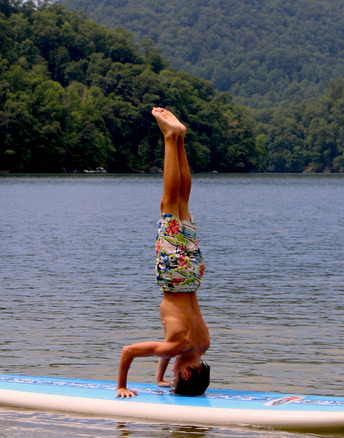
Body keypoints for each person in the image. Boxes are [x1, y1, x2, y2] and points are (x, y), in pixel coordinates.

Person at [115, 108, 210, 399]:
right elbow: (128, 351)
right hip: (174, 274)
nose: (171, 376)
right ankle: (171, 138)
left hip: (193, 274)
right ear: (186, 373)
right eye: (174, 379)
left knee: (182, 202)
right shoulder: (176, 346)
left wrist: (157, 378)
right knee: (168, 202)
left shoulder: (202, 344)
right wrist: (121, 386)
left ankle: (180, 138)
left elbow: (173, 349)